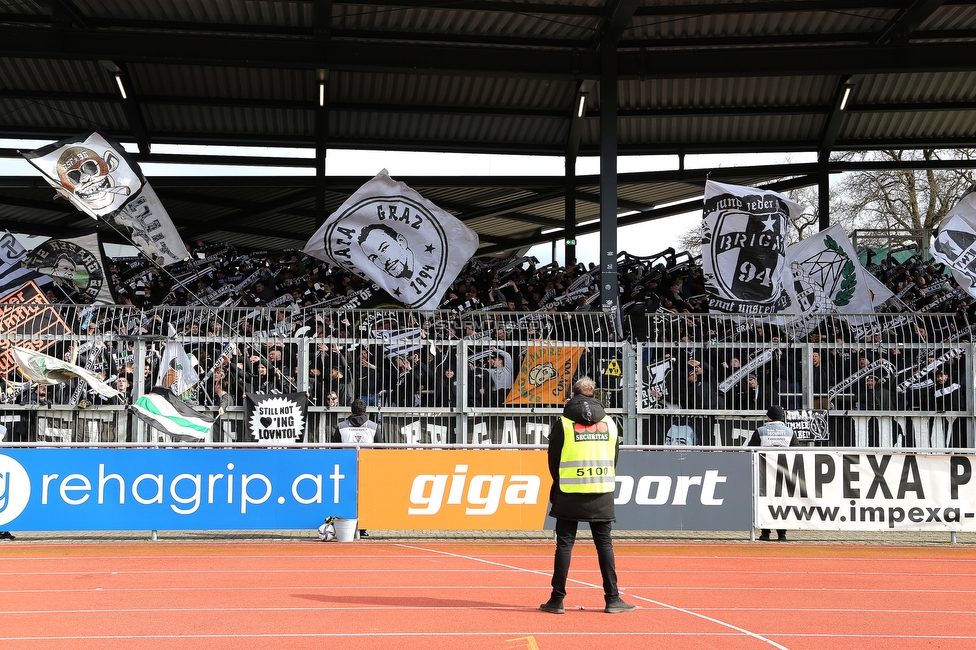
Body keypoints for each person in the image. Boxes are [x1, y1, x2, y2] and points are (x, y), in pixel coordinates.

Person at [540, 376, 635, 615]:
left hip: (569, 491)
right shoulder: (610, 423)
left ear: (573, 394)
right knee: (604, 545)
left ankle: (557, 599)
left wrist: (560, 483)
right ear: (594, 395)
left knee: (564, 545)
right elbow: (614, 458)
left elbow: (553, 459)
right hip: (601, 491)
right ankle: (612, 599)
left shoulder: (563, 423)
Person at [331, 398, 385, 539]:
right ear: (365, 411)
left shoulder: (341, 426)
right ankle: (362, 528)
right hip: (366, 467)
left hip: (345, 467)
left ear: (351, 411)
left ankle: (344, 527)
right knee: (364, 497)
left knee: (346, 497)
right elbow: (381, 449)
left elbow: (334, 448)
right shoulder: (373, 426)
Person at [747, 404, 800, 542]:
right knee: (782, 501)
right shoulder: (790, 432)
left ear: (768, 417)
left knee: (765, 501)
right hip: (783, 472)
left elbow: (750, 450)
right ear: (782, 417)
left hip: (763, 472)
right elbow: (797, 451)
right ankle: (782, 534)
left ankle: (765, 533)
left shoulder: (760, 431)